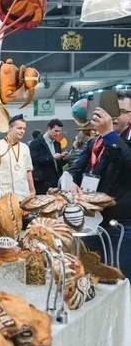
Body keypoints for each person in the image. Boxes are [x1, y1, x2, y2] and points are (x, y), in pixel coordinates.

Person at [69, 90, 131, 279]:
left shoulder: (113, 140)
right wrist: (71, 182)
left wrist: (110, 135)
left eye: (121, 111)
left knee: (119, 279)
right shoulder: (95, 142)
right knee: (92, 275)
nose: (114, 116)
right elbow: (75, 168)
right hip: (93, 221)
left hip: (121, 225)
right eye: (111, 110)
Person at [0, 114, 35, 200]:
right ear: (10, 128)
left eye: (24, 129)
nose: (22, 131)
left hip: (23, 195)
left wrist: (32, 190)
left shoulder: (25, 147)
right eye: (19, 128)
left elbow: (28, 171)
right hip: (3, 196)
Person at [29, 119, 67, 194]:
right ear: (49, 129)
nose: (58, 134)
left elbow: (57, 164)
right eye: (56, 131)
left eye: (60, 131)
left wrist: (64, 158)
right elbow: (34, 160)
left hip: (56, 182)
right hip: (42, 184)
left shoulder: (57, 144)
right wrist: (52, 157)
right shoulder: (35, 143)